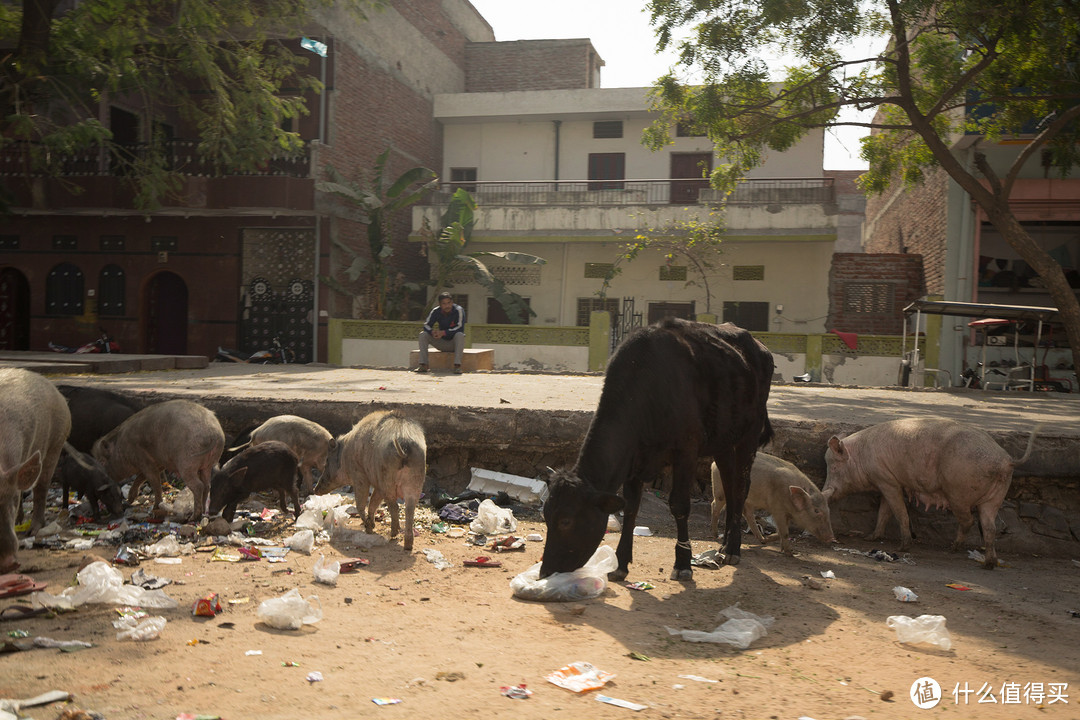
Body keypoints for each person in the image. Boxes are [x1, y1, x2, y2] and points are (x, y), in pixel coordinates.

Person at [417, 291, 466, 373]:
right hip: (441, 342)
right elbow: (426, 325)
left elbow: (460, 327)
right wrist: (432, 332)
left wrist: (444, 332)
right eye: (444, 304)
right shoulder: (436, 311)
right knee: (423, 335)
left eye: (449, 303)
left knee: (460, 335)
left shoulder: (459, 310)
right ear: (440, 304)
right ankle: (423, 365)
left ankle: (457, 366)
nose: (447, 306)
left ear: (452, 302)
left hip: (454, 343)